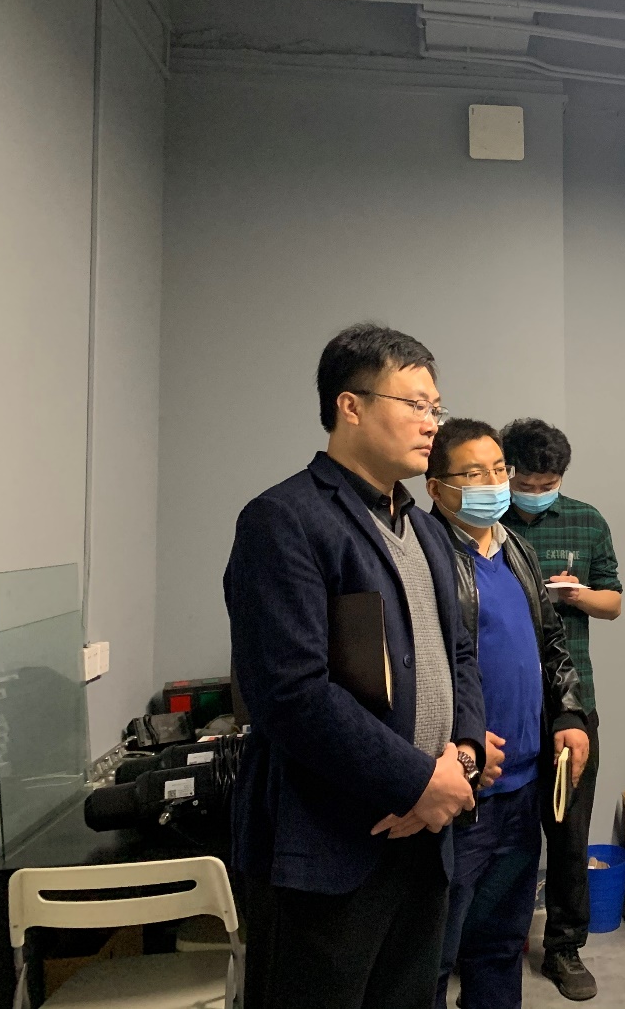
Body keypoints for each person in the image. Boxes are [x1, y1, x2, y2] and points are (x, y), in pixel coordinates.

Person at [224, 323, 486, 1009]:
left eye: (437, 407)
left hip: (424, 837)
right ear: (351, 406)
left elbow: (459, 652)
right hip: (328, 846)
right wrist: (416, 781)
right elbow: (291, 694)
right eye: (416, 404)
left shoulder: (426, 529)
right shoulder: (284, 520)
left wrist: (460, 757)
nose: (432, 424)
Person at [425, 418, 591, 1009]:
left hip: (523, 786)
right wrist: (460, 743)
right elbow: (422, 672)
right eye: (473, 474)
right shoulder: (426, 554)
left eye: (499, 470)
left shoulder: (513, 548)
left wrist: (568, 714)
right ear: (436, 486)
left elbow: (551, 644)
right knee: (435, 953)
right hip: (462, 791)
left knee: (499, 945)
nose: (493, 484)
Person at [498, 417, 624, 1002]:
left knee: (570, 832)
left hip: (573, 703)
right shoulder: (483, 521)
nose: (535, 492)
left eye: (547, 484)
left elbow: (613, 602)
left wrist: (574, 595)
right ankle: (496, 944)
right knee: (501, 834)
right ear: (507, 473)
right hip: (501, 704)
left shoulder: (586, 520)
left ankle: (565, 947)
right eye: (525, 483)